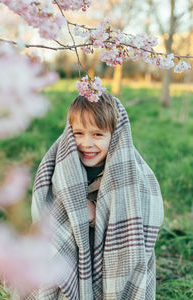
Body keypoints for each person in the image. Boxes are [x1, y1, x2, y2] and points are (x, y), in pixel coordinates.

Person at [29, 92, 164, 300]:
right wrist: (73, 212)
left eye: (98, 134)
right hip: (72, 256)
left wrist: (97, 214)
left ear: (115, 135)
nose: (87, 143)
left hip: (111, 257)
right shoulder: (59, 168)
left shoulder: (132, 173)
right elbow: (46, 210)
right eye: (79, 133)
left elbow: (144, 217)